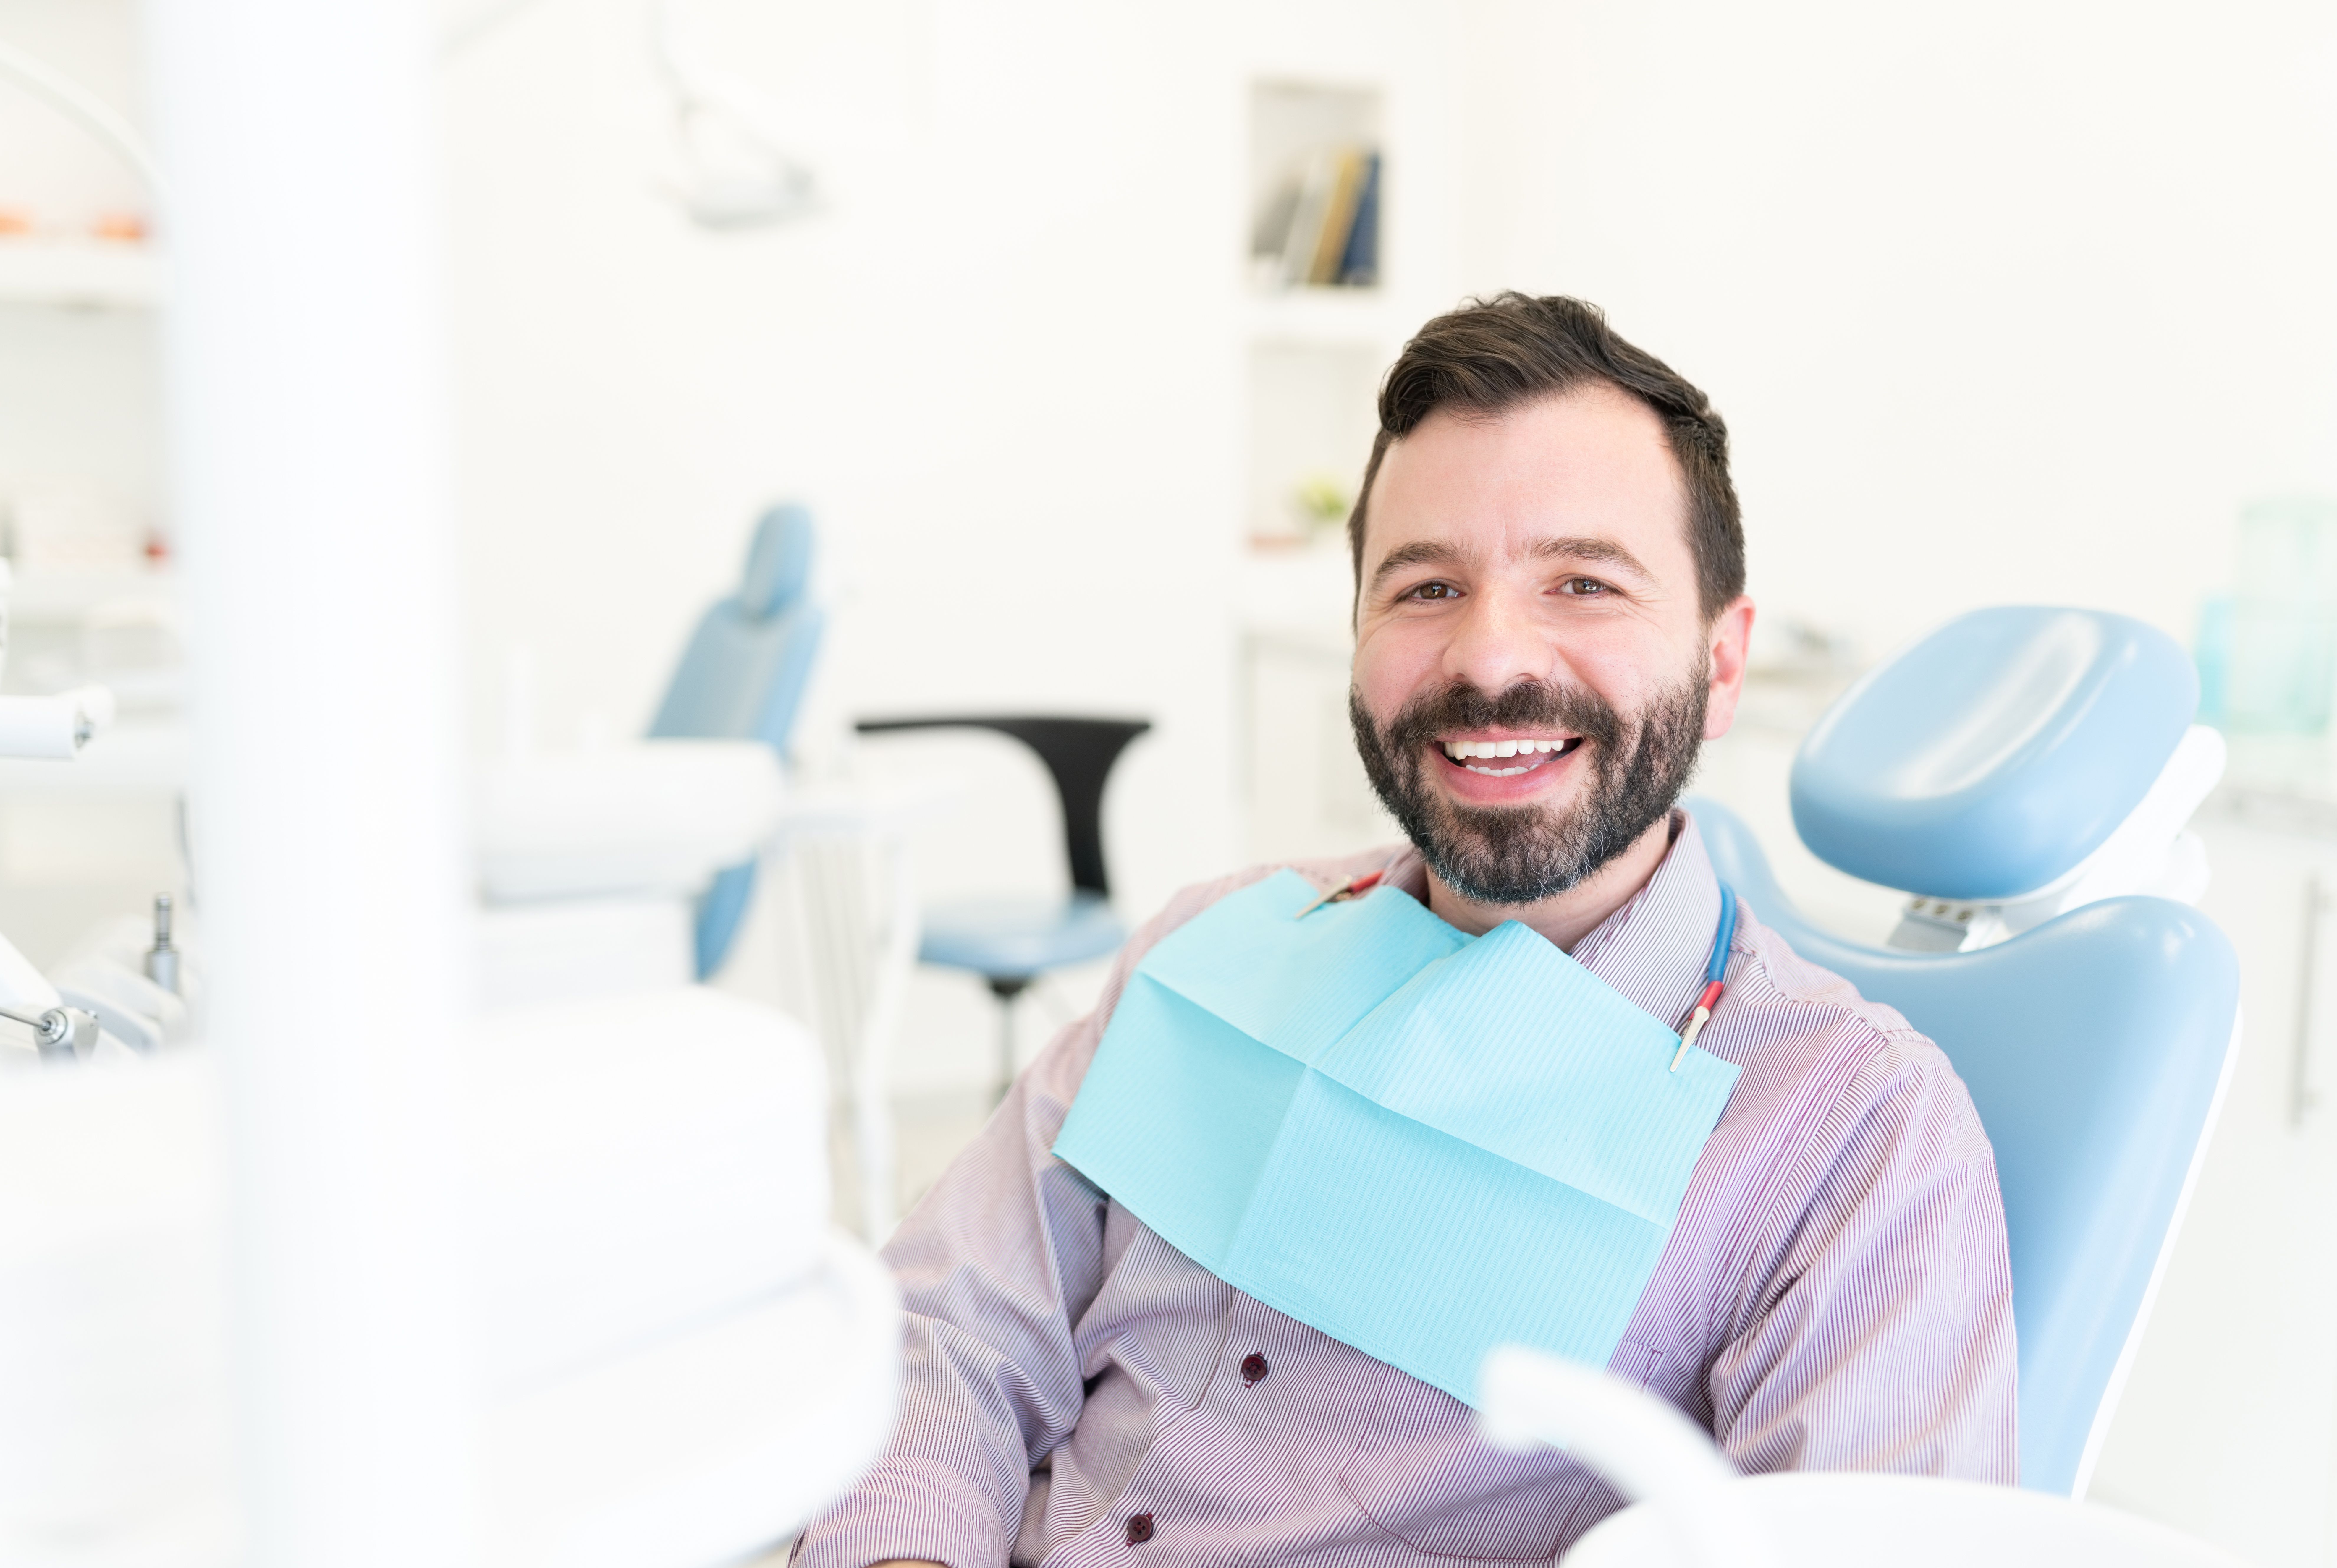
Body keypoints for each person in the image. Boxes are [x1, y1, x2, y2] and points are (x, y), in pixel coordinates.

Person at [794, 293, 2015, 1568]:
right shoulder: (1212, 949)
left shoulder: (1851, 1142)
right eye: (1424, 586)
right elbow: (946, 1335)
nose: (1488, 658)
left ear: (1719, 664)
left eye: (1583, 583)